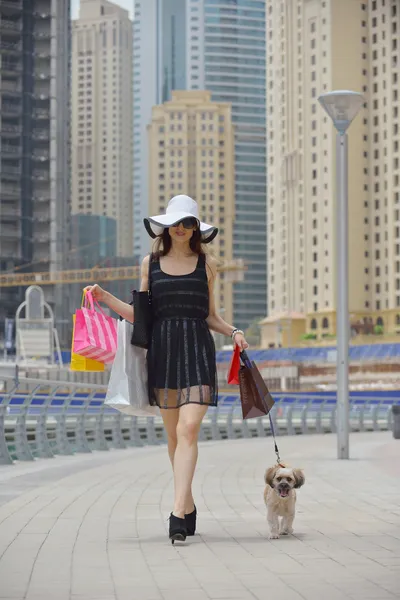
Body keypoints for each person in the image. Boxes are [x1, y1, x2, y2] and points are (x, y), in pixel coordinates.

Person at [85, 194, 249, 544]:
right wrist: (105, 298)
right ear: (165, 227)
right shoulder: (150, 263)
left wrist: (233, 331)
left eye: (188, 223)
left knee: (189, 429)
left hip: (198, 350)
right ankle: (188, 505)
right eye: (176, 223)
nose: (181, 229)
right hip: (164, 351)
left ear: (196, 229)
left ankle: (176, 512)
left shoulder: (208, 265)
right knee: (175, 437)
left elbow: (210, 315)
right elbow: (141, 314)